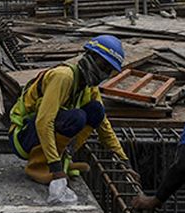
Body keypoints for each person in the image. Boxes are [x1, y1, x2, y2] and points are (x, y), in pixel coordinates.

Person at [9, 35, 131, 187]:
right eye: (103, 66)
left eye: (108, 70)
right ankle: (39, 167)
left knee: (96, 111)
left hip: (39, 134)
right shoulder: (63, 77)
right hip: (24, 135)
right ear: (91, 56)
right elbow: (44, 122)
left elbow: (103, 124)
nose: (104, 73)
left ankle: (63, 159)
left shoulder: (89, 85)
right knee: (76, 117)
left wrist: (122, 159)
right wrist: (55, 167)